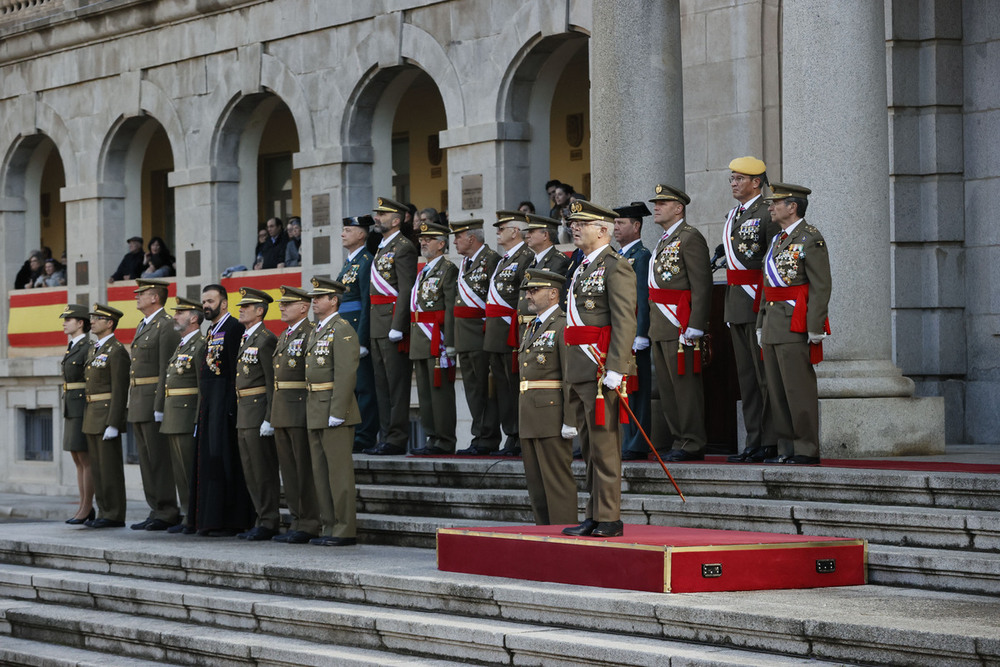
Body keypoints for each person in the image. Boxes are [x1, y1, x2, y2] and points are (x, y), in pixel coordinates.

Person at [561, 200, 637, 538]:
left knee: (605, 448)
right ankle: (592, 514)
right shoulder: (581, 266)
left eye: (583, 223)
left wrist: (617, 368)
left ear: (603, 230)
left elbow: (624, 319)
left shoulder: (615, 266)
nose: (575, 228)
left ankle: (609, 517)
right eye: (573, 223)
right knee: (589, 449)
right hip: (579, 368)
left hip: (600, 369)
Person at [758, 183, 831, 465]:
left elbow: (820, 286)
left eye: (776, 203)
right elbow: (767, 286)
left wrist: (816, 326)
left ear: (792, 207)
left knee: (797, 389)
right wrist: (760, 323)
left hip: (795, 323)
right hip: (774, 323)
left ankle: (806, 448)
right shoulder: (777, 240)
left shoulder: (811, 238)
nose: (770, 207)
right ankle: (785, 447)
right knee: (776, 391)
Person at [647, 184, 713, 462]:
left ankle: (692, 441)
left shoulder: (690, 237)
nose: (656, 207)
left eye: (663, 203)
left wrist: (696, 324)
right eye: (656, 203)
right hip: (660, 325)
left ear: (679, 208)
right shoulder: (664, 240)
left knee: (685, 388)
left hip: (680, 324)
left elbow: (702, 284)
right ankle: (678, 438)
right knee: (668, 389)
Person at [723, 157, 781, 463]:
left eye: (739, 178)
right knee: (747, 379)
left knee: (764, 377)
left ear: (756, 182)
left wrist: (765, 303)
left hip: (757, 300)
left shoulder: (767, 212)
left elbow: (771, 262)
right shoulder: (735, 214)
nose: (733, 183)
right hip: (736, 303)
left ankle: (770, 440)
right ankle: (754, 440)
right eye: (731, 179)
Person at [189, 284, 254, 537]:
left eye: (210, 301)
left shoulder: (234, 328)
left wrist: (230, 408)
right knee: (210, 461)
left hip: (224, 405)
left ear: (224, 303)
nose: (206, 305)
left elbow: (233, 371)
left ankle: (228, 521)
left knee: (225, 462)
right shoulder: (211, 330)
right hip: (209, 404)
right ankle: (208, 519)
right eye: (204, 301)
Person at [517, 269, 577, 525]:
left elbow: (570, 377)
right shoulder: (532, 325)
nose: (529, 296)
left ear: (553, 294)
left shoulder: (562, 325)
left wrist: (570, 420)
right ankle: (543, 534)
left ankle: (563, 534)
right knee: (536, 483)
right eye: (528, 291)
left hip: (551, 414)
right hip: (529, 414)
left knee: (557, 482)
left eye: (534, 290)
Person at [305, 276, 360, 546]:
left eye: (319, 297)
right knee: (321, 473)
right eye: (313, 297)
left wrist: (338, 410)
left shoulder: (342, 329)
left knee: (338, 473)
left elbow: (346, 372)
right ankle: (329, 526)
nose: (313, 301)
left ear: (334, 300)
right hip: (315, 408)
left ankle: (344, 529)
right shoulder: (317, 330)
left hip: (334, 410)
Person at [364, 196, 417, 455]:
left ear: (396, 220)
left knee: (396, 385)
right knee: (381, 385)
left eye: (382, 215)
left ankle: (396, 438)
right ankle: (386, 436)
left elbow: (406, 288)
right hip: (377, 324)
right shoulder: (383, 247)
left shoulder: (404, 247)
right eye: (378, 214)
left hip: (391, 325)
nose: (377, 218)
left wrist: (399, 325)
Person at [128, 279, 182, 531]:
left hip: (152, 399)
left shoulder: (166, 326)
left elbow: (165, 369)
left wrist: (160, 404)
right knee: (146, 459)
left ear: (155, 298)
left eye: (142, 294)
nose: (137, 297)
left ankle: (168, 510)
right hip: (139, 398)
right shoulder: (144, 324)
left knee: (159, 458)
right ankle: (155, 507)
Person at [270, 285, 320, 543]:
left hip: (299, 407)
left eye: (287, 303)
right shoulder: (285, 335)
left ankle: (310, 521)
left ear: (303, 307)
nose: (282, 307)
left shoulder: (310, 333)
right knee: (288, 470)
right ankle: (296, 519)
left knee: (303, 469)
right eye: (282, 303)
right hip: (281, 409)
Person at [484, 210, 533, 456]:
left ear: (515, 231)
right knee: (501, 388)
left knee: (513, 386)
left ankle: (518, 434)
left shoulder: (526, 257)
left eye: (502, 228)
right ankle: (509, 433)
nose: (497, 233)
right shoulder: (503, 259)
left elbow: (524, 298)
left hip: (510, 329)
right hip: (496, 331)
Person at [451, 219, 502, 456]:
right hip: (464, 336)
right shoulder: (465, 263)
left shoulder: (490, 259)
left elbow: (494, 299)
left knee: (484, 389)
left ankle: (488, 437)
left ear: (471, 238)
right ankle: (479, 434)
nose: (455, 241)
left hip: (480, 334)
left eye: (458, 237)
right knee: (472, 390)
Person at [233, 287, 280, 541]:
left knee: (263, 469)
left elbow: (272, 381)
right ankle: (260, 517)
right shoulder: (246, 337)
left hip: (258, 410)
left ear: (259, 311)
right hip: (244, 411)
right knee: (251, 469)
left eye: (246, 306)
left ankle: (269, 519)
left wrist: (269, 417)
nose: (240, 309)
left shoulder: (265, 339)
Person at [409, 221, 458, 455]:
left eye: (428, 239)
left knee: (440, 394)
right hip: (420, 337)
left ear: (441, 244)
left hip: (437, 337)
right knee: (425, 394)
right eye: (421, 239)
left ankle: (445, 440)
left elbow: (449, 308)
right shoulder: (425, 270)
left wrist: (450, 343)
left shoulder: (448, 269)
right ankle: (431, 436)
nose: (423, 242)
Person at [82, 304, 130, 528]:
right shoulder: (94, 349)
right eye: (92, 318)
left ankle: (114, 514)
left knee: (109, 468)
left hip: (106, 415)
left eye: (98, 318)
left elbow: (120, 389)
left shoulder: (116, 350)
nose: (92, 321)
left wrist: (114, 422)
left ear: (110, 323)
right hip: (92, 414)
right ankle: (103, 510)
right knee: (98, 468)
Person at [160, 296, 205, 535]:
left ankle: (195, 515)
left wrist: (198, 418)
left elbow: (201, 387)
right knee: (179, 470)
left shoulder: (199, 344)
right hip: (174, 415)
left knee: (189, 469)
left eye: (180, 313)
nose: (175, 316)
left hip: (187, 416)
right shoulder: (181, 344)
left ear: (194, 318)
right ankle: (187, 513)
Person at [613, 202, 654, 461]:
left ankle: (637, 443)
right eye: (615, 223)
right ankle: (626, 439)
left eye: (621, 223)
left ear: (636, 226)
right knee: (624, 388)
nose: (615, 227)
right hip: (619, 332)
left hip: (634, 333)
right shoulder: (618, 256)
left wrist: (641, 333)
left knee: (637, 389)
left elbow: (642, 297)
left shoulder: (641, 255)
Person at [338, 215, 378, 452]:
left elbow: (366, 301)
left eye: (347, 229)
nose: (343, 233)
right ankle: (353, 433)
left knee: (363, 387)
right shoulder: (349, 263)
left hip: (356, 333)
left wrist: (362, 339)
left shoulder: (366, 261)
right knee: (350, 386)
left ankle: (365, 436)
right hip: (345, 331)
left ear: (361, 234)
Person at [60, 304, 94, 524]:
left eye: (68, 319)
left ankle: (87, 507)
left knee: (85, 458)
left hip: (81, 405)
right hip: (71, 405)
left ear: (80, 323)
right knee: (76, 457)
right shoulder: (73, 346)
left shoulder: (86, 346)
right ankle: (83, 505)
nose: (64, 323)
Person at [517, 213, 571, 337]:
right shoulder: (531, 262)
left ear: (545, 235)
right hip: (528, 327)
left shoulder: (559, 261)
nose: (527, 235)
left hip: (547, 327)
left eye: (531, 231)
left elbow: (558, 298)